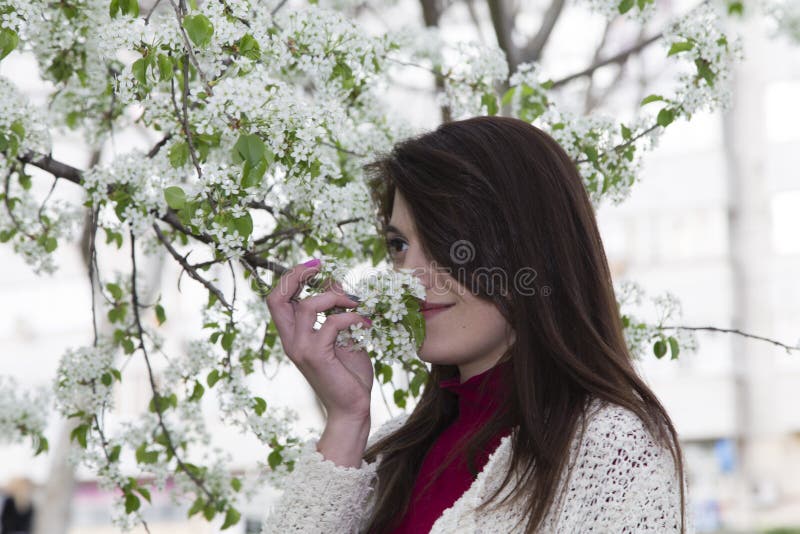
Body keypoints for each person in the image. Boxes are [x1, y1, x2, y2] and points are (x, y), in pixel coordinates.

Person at [262, 116, 691, 533]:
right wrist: (346, 421)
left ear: (532, 250)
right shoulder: (392, 455)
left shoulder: (610, 449)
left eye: (446, 239)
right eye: (399, 244)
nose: (410, 272)